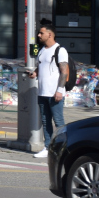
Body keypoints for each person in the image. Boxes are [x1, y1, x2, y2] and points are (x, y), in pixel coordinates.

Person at [31, 20, 70, 158]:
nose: (39, 35)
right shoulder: (42, 50)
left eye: (41, 33)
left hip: (54, 93)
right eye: (39, 33)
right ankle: (48, 147)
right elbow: (41, 67)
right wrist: (35, 73)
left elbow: (64, 72)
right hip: (42, 92)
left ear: (50, 34)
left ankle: (63, 148)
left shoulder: (60, 50)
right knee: (45, 121)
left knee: (58, 122)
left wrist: (59, 90)